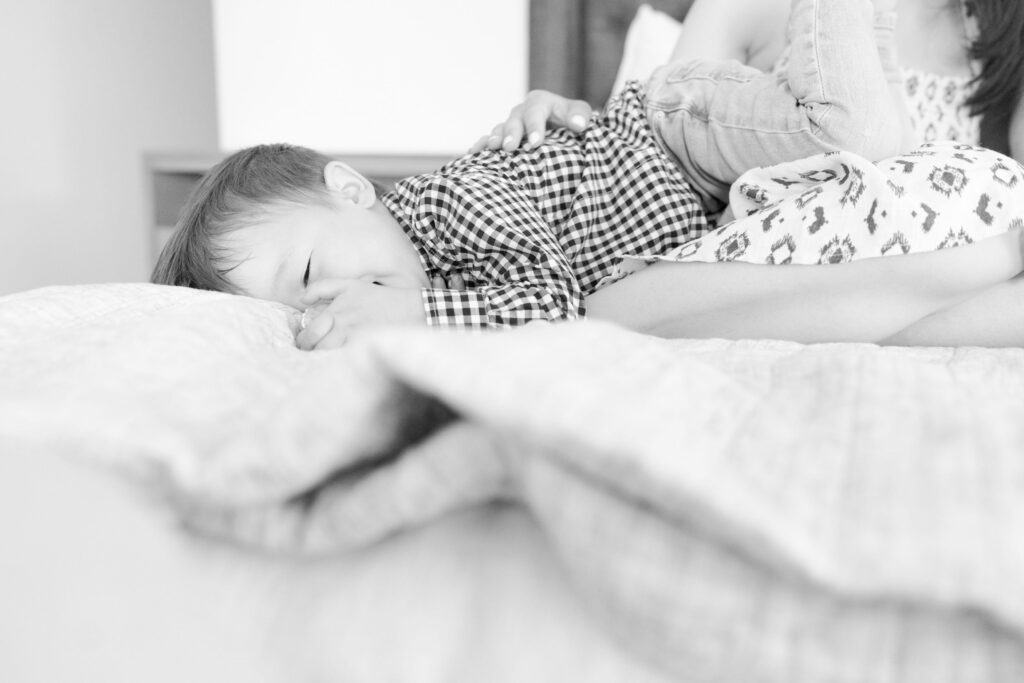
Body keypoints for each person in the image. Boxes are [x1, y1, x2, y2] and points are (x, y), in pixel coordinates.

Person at [151, 0, 1021, 349]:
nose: (328, 302)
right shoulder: (437, 234)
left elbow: (547, 293)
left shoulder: (451, 204)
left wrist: (419, 311)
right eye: (302, 308)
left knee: (865, 130)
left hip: (676, 131)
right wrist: (559, 110)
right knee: (849, 135)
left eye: (309, 276)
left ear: (353, 189)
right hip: (705, 178)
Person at [480, 0, 1024, 161]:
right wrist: (568, 126)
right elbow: (653, 151)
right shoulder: (747, 8)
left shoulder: (1005, 28)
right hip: (775, 281)